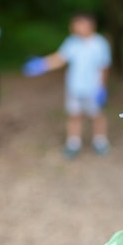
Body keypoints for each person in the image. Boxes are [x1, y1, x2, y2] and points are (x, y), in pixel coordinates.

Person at [23, 13, 111, 159]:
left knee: (97, 115)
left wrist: (102, 86)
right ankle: (73, 144)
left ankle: (100, 141)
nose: (75, 27)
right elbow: (60, 58)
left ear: (90, 25)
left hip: (93, 88)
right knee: (74, 115)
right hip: (75, 87)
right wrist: (42, 64)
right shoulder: (72, 42)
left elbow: (104, 66)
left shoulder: (100, 43)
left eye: (79, 24)